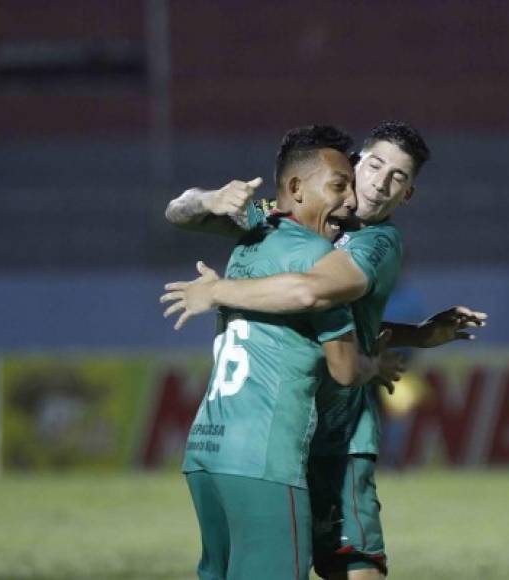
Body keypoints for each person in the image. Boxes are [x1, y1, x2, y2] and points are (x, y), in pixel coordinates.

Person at [162, 121, 486, 579]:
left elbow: (315, 296)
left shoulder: (378, 242)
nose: (380, 181)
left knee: (353, 562)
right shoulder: (291, 219)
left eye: (398, 176)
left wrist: (219, 292)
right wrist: (209, 199)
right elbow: (178, 212)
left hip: (337, 432)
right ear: (354, 165)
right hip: (282, 429)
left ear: (408, 193)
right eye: (374, 165)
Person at [175, 125, 398, 580]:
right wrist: (374, 365)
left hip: (206, 451)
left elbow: (177, 210)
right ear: (295, 188)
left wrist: (207, 208)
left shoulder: (251, 237)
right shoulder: (319, 256)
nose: (352, 201)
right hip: (265, 458)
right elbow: (342, 365)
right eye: (339, 186)